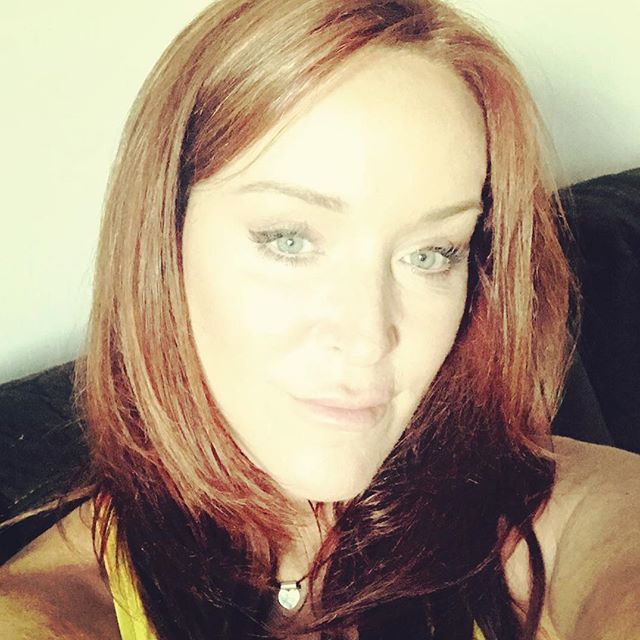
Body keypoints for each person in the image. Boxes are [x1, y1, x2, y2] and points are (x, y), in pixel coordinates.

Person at [1, 1, 639, 638]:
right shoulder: (50, 609)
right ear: (162, 244)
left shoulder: (561, 519)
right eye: (290, 240)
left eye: (431, 253)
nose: (368, 338)